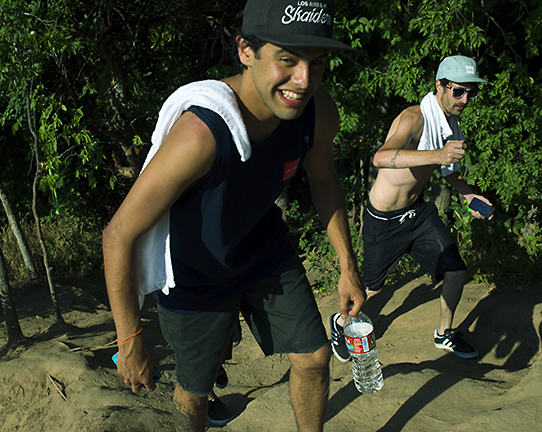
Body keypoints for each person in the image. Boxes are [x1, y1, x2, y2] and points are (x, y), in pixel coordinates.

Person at [102, 0, 366, 431]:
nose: (303, 81)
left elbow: (323, 180)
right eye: (287, 60)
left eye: (316, 64)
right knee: (195, 390)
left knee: (316, 357)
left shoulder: (317, 113)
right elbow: (118, 235)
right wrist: (129, 339)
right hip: (194, 275)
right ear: (246, 50)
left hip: (262, 250)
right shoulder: (201, 134)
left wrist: (347, 267)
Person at [330, 55, 492, 363]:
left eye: (471, 92)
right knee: (371, 290)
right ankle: (339, 324)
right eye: (459, 91)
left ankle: (444, 333)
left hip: (418, 214)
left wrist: (469, 195)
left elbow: (448, 169)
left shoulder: (451, 124)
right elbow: (381, 157)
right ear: (439, 86)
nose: (465, 99)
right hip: (384, 219)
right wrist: (437, 153)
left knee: (456, 271)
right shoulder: (414, 118)